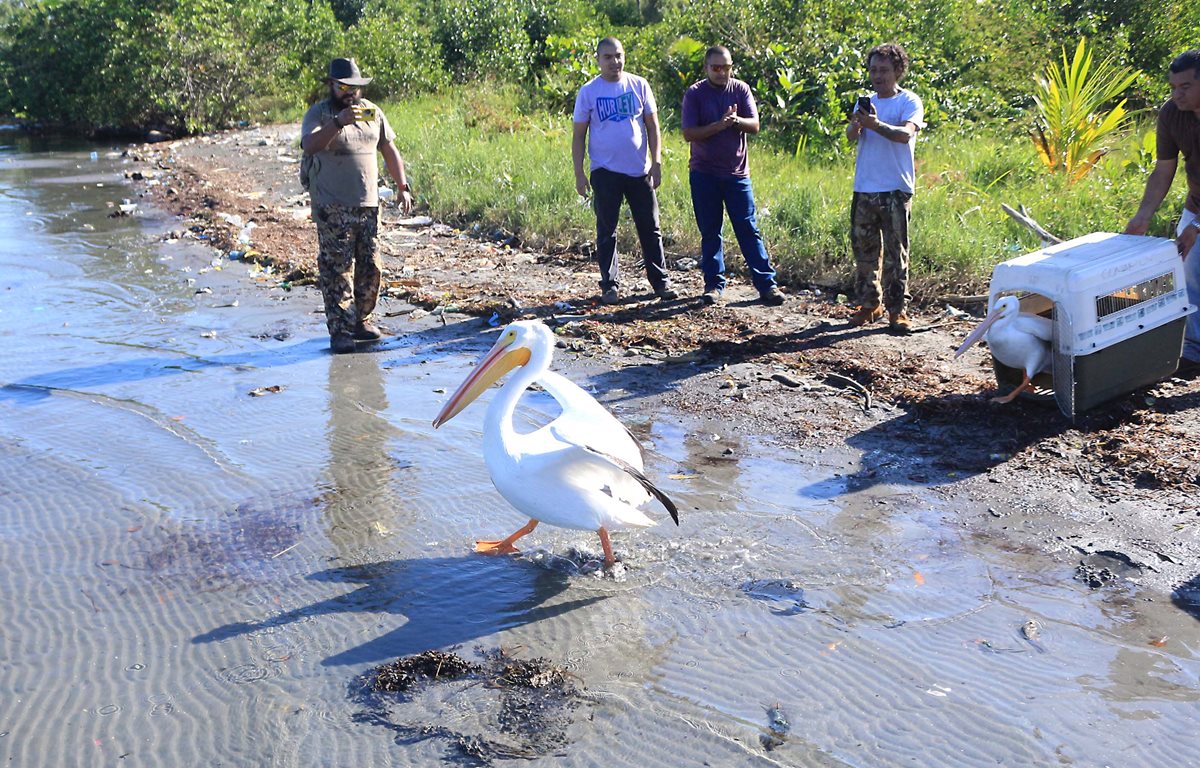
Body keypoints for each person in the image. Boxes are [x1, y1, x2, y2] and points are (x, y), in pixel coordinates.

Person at [301, 57, 414, 354]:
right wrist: (338, 123)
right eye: (342, 87)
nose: (349, 93)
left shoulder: (372, 113)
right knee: (336, 269)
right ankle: (340, 330)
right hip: (332, 205)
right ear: (331, 86)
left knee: (370, 266)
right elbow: (310, 145)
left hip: (368, 206)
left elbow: (389, 148)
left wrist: (402, 187)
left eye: (354, 87)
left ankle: (360, 320)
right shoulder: (320, 113)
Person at [572, 37, 677, 305]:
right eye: (608, 57)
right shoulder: (589, 92)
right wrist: (580, 174)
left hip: (639, 171)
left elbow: (653, 127)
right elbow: (579, 136)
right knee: (607, 229)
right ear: (597, 60)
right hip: (605, 171)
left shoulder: (639, 85)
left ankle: (661, 282)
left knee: (650, 227)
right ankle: (610, 285)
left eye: (618, 56)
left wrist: (657, 161)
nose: (614, 62)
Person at [681, 46, 786, 307]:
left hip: (737, 174)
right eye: (716, 67)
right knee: (710, 231)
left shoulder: (741, 89)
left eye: (726, 67)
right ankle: (714, 286)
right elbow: (689, 133)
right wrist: (719, 125)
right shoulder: (695, 93)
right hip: (704, 173)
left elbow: (755, 125)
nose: (721, 72)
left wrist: (735, 121)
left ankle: (767, 285)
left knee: (748, 229)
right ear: (706, 68)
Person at [1125, 50, 1200, 375]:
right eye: (1172, 86)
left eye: (1185, 86)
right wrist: (1143, 215)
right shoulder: (1171, 114)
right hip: (1196, 204)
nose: (1176, 94)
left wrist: (1197, 225)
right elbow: (1163, 170)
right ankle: (1193, 352)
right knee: (1187, 275)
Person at [845, 43, 924, 335]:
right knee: (864, 251)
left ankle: (897, 310)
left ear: (898, 71)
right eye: (874, 70)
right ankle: (869, 305)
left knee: (895, 253)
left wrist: (876, 124)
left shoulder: (909, 101)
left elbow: (905, 135)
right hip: (865, 186)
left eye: (884, 70)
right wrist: (858, 123)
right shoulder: (865, 101)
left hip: (895, 188)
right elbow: (852, 136)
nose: (878, 76)